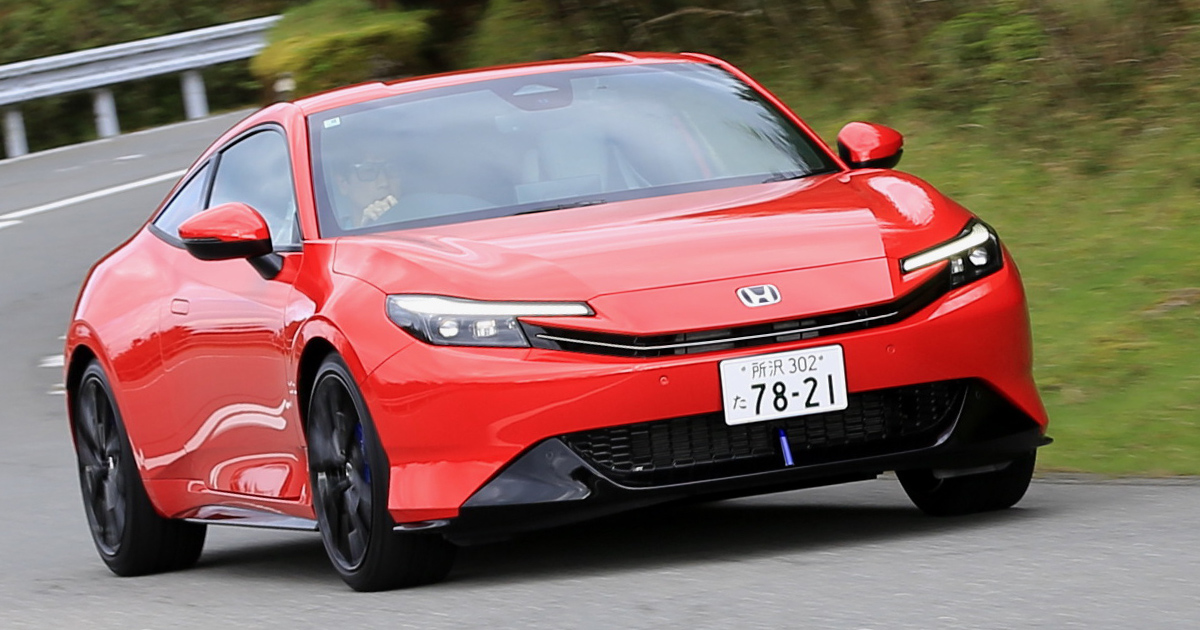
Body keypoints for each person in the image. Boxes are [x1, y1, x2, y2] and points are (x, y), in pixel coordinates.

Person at [333, 153, 401, 228]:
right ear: (343, 184)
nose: (384, 183)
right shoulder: (329, 232)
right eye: (369, 171)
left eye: (391, 169)